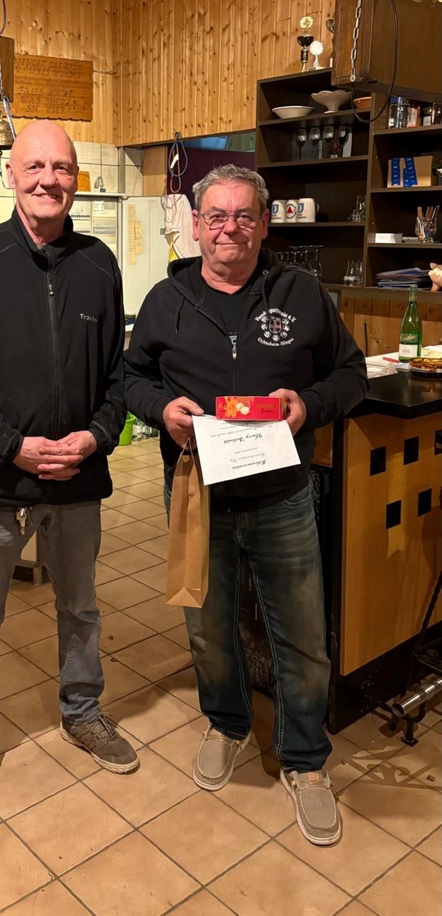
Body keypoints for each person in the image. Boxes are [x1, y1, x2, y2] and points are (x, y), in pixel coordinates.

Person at [124, 164, 367, 846]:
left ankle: (305, 759)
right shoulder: (166, 300)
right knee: (207, 627)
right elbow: (131, 377)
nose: (228, 228)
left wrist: (307, 405)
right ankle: (227, 723)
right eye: (215, 216)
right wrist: (160, 409)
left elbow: (350, 374)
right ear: (197, 227)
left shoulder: (302, 294)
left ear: (263, 224)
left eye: (242, 216)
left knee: (301, 635)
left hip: (282, 494)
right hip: (197, 496)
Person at [0, 120, 137, 826]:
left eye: (63, 168)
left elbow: (118, 374)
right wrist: (10, 446)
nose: (49, 179)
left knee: (80, 608)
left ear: (75, 179)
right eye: (36, 166)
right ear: (10, 175)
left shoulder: (99, 264)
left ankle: (82, 711)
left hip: (76, 478)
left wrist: (96, 436)